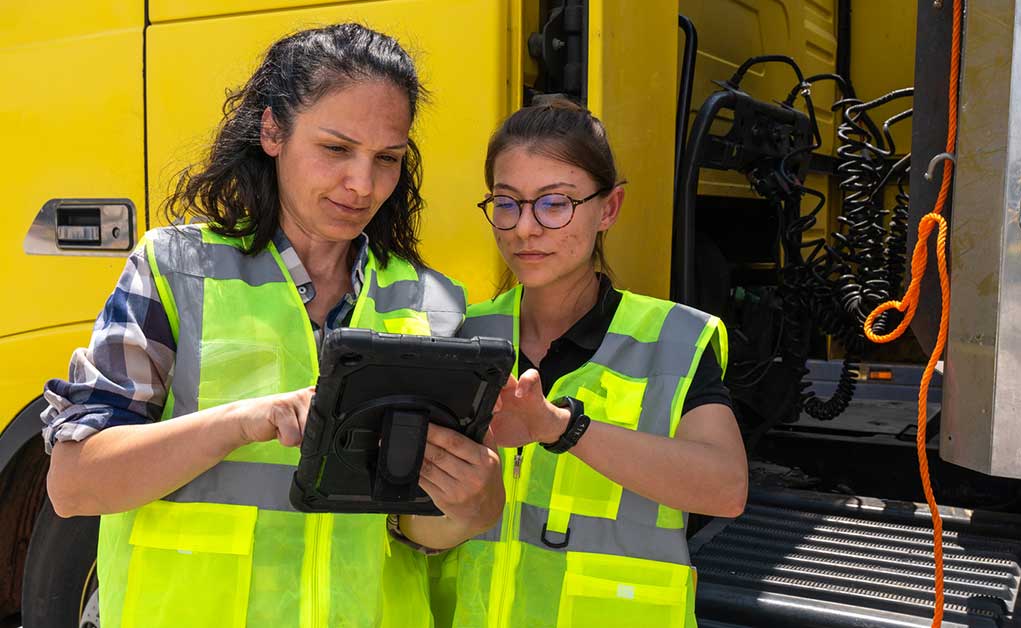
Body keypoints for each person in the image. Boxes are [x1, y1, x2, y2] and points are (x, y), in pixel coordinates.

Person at [41, 23, 503, 628]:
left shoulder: (433, 301)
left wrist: (470, 505)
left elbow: (412, 532)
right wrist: (243, 421)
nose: (362, 185)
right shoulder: (174, 269)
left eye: (387, 159)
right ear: (272, 132)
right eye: (336, 149)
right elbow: (75, 484)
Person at [429, 101, 749, 628]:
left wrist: (562, 428)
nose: (524, 228)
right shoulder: (460, 334)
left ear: (609, 208)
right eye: (506, 203)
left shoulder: (673, 339)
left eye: (554, 204)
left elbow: (726, 488)